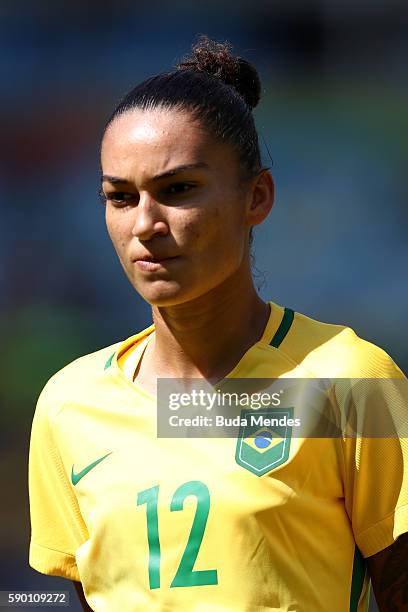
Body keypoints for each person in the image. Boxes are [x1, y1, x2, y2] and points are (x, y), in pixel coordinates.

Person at [28, 36, 408, 612]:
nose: (146, 224)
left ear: (256, 197)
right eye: (120, 197)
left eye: (178, 190)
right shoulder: (67, 403)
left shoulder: (354, 382)